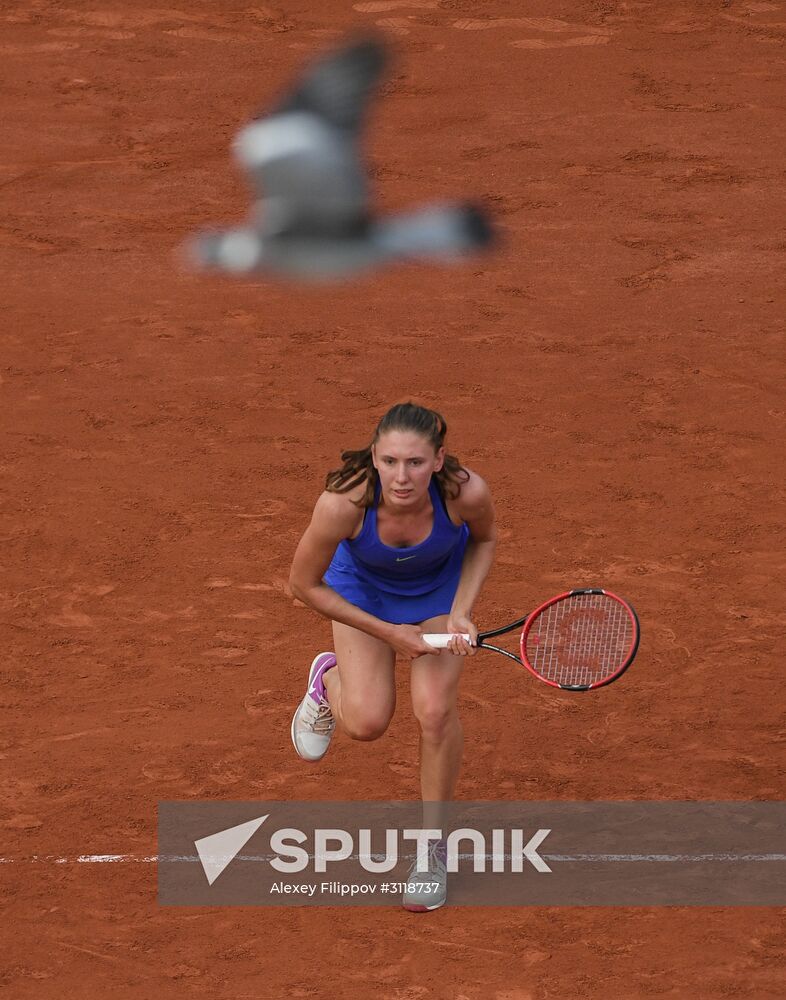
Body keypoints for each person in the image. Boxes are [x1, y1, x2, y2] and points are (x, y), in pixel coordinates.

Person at [288, 401, 497, 910]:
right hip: (363, 595)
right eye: (390, 462)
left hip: (437, 594)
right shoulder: (343, 504)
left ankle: (431, 852)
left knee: (435, 711)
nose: (401, 477)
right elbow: (302, 584)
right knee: (366, 723)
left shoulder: (465, 493)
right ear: (375, 458)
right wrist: (388, 633)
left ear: (438, 460)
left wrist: (461, 612)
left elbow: (485, 540)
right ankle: (327, 679)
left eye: (416, 462)